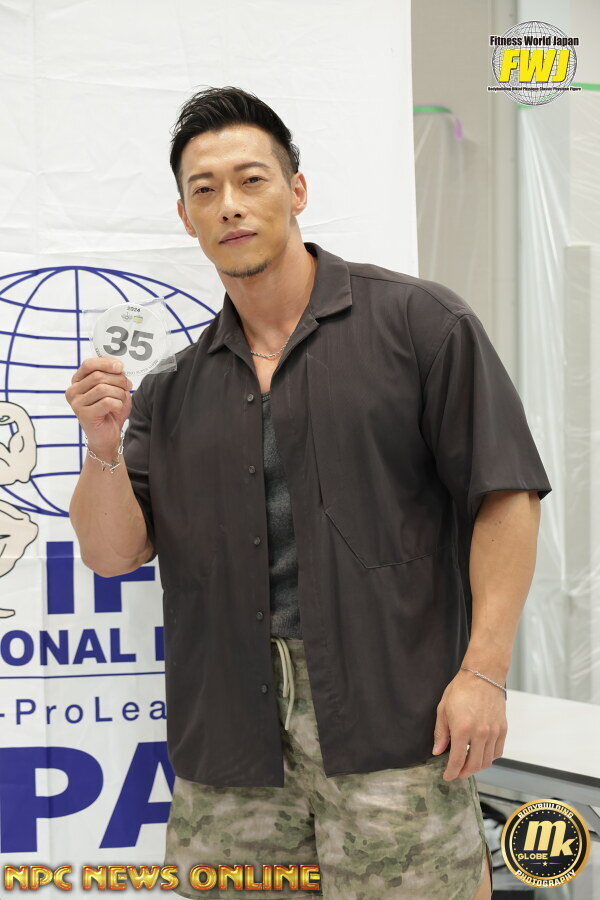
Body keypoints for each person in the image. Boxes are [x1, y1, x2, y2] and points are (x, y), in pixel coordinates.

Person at [67, 86, 552, 899]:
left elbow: (507, 496)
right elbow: (113, 554)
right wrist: (103, 448)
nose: (230, 204)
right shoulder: (172, 388)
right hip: (229, 750)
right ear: (186, 217)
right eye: (204, 190)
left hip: (395, 727)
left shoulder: (418, 325)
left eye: (251, 179)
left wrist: (485, 671)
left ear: (296, 190)